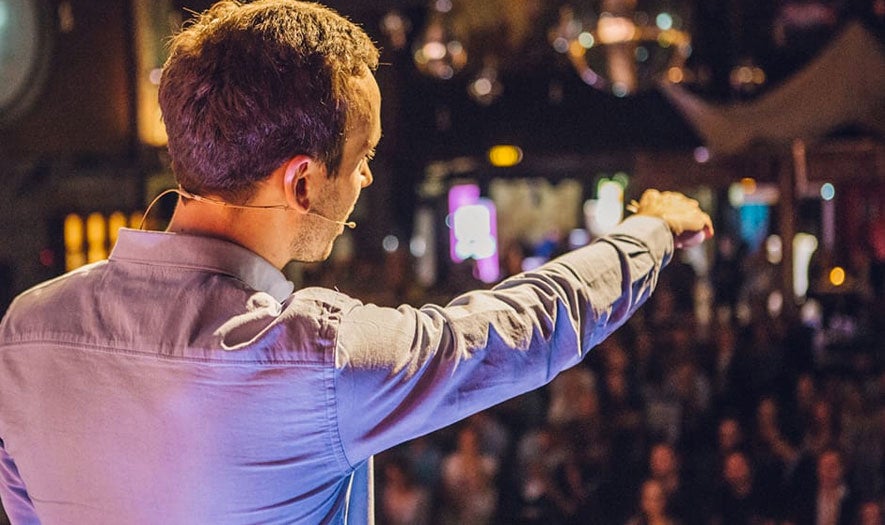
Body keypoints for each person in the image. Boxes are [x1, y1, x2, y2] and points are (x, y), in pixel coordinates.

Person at [0, 1, 713, 523]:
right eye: (361, 157)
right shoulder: (310, 357)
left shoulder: (26, 332)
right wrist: (648, 232)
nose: (366, 178)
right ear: (302, 181)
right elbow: (525, 328)